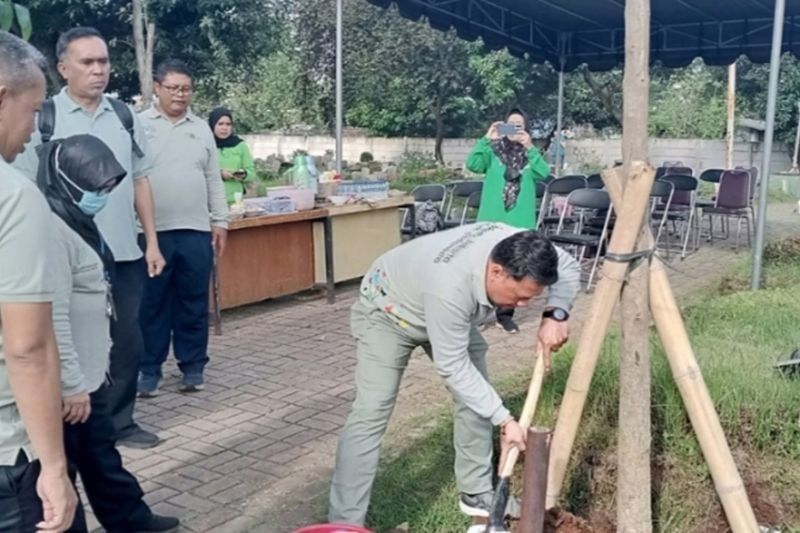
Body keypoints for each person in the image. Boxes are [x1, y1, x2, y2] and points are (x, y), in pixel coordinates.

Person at [328, 223, 581, 526]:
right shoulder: (449, 286)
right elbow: (454, 366)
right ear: (497, 272)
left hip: (444, 309)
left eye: (532, 298)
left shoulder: (514, 243)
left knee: (477, 399)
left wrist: (556, 313)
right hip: (389, 311)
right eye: (520, 296)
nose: (524, 305)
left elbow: (567, 263)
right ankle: (344, 522)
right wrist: (505, 419)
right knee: (371, 412)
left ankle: (476, 493)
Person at [13, 26, 166, 450]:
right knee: (75, 340)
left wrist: (150, 242)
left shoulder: (124, 116)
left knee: (128, 339)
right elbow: (28, 188)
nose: (98, 71)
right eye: (87, 62)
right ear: (63, 68)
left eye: (103, 62)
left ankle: (121, 421)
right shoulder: (42, 117)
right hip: (66, 258)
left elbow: (140, 180)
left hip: (122, 252)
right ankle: (76, 423)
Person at [38, 134, 179, 532]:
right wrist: (72, 384)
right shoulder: (51, 231)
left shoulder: (75, 219)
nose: (101, 196)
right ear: (66, 180)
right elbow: (53, 316)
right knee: (63, 467)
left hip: (88, 373)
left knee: (100, 456)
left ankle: (131, 520)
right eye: (95, 188)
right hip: (69, 381)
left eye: (107, 189)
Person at [0, 30, 78, 532]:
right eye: (34, 111)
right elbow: (26, 346)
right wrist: (53, 466)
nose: (34, 131)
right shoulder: (13, 195)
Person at [137, 59, 228, 396]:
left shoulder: (201, 128)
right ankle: (149, 370)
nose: (180, 94)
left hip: (195, 230)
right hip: (151, 234)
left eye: (186, 88)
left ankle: (192, 367)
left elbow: (212, 178)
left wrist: (220, 221)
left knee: (192, 302)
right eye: (173, 88)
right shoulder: (138, 124)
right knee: (152, 303)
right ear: (157, 88)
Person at [467, 107, 550, 334]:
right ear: (502, 127)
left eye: (519, 126)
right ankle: (480, 313)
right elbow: (472, 164)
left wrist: (530, 147)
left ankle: (505, 315)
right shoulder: (492, 153)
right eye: (510, 125)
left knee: (515, 269)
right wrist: (486, 138)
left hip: (518, 222)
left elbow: (544, 173)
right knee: (486, 267)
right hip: (491, 220)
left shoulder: (530, 157)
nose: (514, 130)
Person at [209, 107, 256, 204]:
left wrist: (242, 175)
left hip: (236, 201)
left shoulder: (240, 145)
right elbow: (200, 172)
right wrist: (220, 174)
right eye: (220, 124)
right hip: (211, 201)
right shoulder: (206, 146)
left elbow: (251, 173)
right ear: (212, 125)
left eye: (228, 124)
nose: (224, 128)